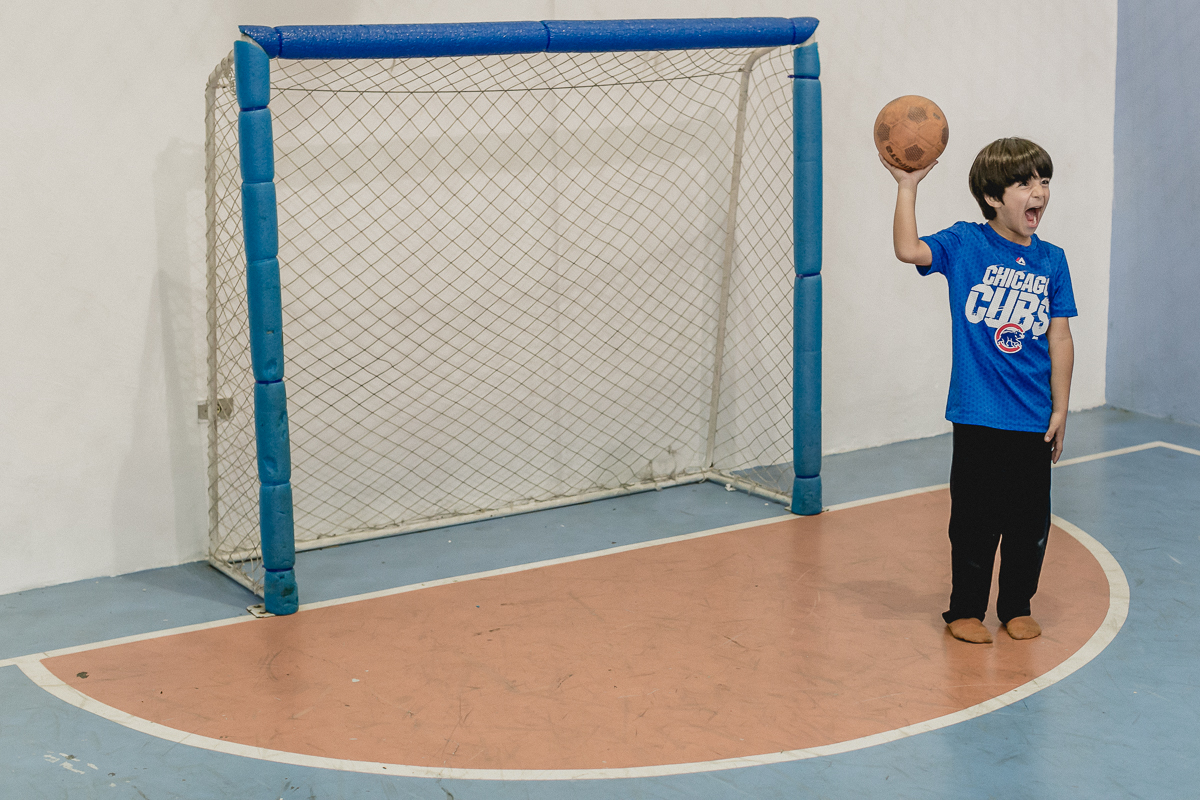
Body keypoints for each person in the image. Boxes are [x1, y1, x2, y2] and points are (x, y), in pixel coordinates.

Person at [881, 137, 1076, 643]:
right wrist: (907, 187)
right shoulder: (967, 243)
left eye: (1044, 181)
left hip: (1032, 417)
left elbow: (1060, 336)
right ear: (992, 197)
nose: (1039, 193)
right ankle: (965, 609)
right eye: (1024, 183)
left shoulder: (1053, 260)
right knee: (973, 522)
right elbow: (908, 249)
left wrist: (1061, 407)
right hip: (977, 414)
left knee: (1030, 526)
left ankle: (1016, 605)